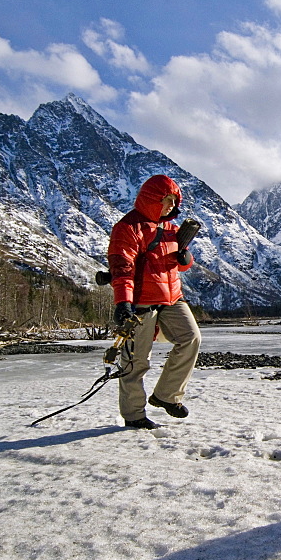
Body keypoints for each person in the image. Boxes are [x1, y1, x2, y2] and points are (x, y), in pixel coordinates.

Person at [107, 174, 202, 430]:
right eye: (167, 200)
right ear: (152, 198)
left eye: (174, 201)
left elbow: (178, 264)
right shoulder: (127, 228)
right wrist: (123, 303)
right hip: (140, 302)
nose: (171, 205)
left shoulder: (171, 228)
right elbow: (122, 269)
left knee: (191, 338)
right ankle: (134, 414)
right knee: (136, 362)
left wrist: (185, 259)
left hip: (172, 298)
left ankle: (166, 396)